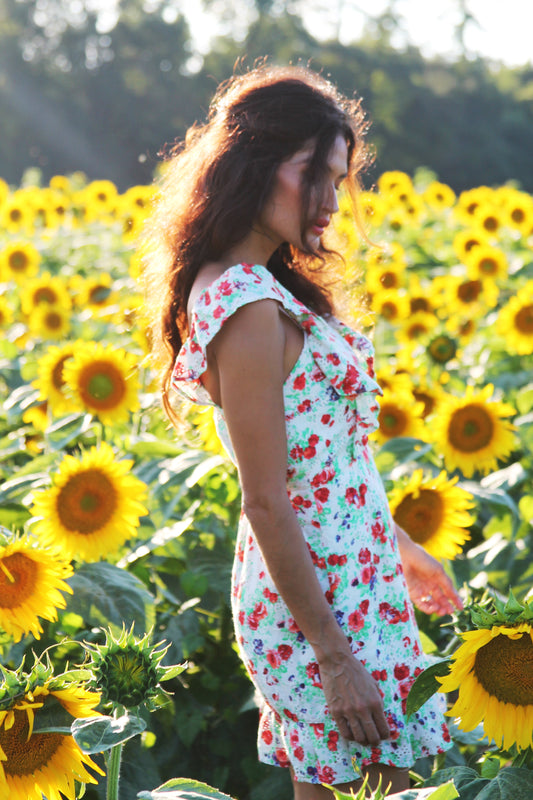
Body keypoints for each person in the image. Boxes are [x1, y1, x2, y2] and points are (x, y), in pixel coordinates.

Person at [142, 63, 463, 799]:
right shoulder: (248, 306)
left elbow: (326, 463)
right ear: (254, 164)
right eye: (312, 173)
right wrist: (335, 658)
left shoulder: (262, 285)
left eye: (340, 177)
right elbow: (265, 500)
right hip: (321, 602)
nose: (329, 200)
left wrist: (398, 545)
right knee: (376, 785)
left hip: (351, 574)